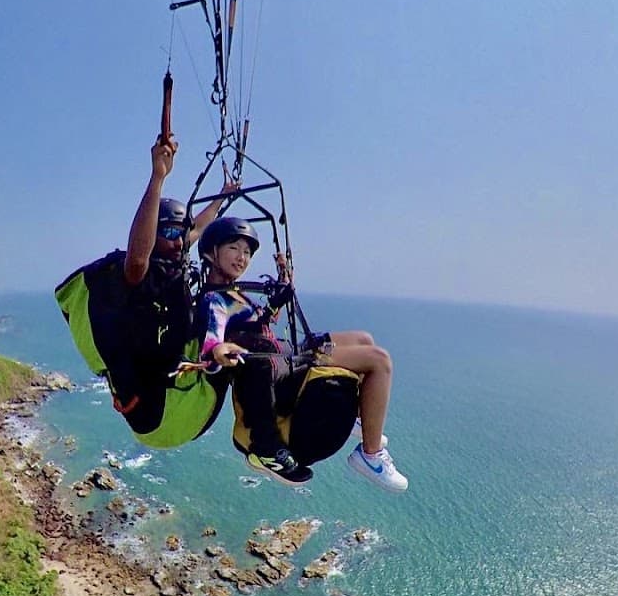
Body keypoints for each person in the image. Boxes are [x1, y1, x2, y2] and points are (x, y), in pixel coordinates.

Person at [197, 217, 408, 491]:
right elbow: (212, 347)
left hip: (284, 354)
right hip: (279, 368)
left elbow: (260, 323)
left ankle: (362, 416)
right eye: (234, 248)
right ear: (211, 252)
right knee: (379, 361)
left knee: (362, 339)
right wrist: (220, 352)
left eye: (247, 252)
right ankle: (370, 455)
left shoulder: (235, 294)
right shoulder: (215, 299)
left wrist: (284, 283)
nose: (242, 258)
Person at [54, 129, 230, 447]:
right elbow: (137, 257)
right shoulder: (135, 275)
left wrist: (222, 196)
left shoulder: (174, 255)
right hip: (155, 412)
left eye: (181, 233)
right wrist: (158, 177)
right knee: (220, 312)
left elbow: (198, 227)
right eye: (169, 232)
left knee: (224, 326)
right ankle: (264, 441)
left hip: (170, 413)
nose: (178, 240)